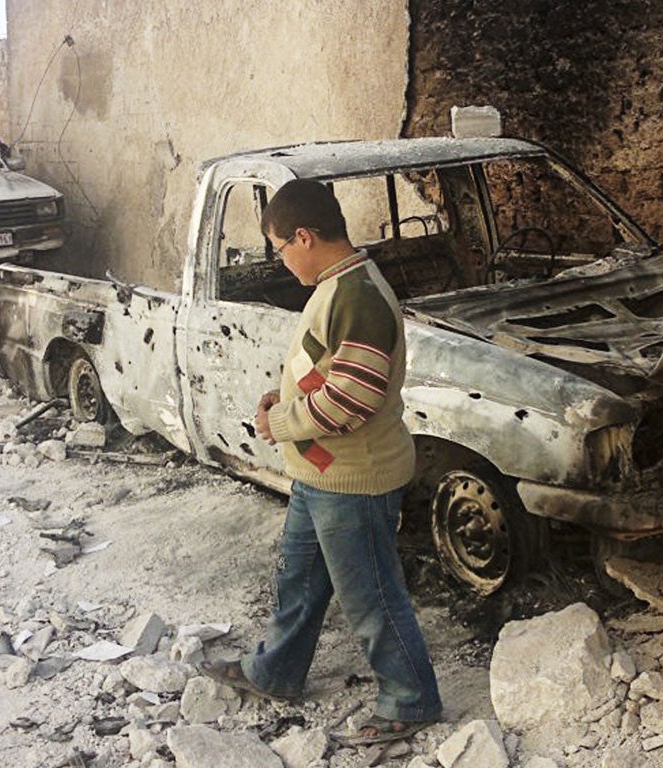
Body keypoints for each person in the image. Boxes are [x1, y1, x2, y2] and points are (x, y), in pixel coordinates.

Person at [202, 179, 442, 745]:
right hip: (321, 474)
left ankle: (411, 702)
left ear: (304, 236)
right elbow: (326, 372)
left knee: (372, 598)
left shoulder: (357, 296)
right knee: (300, 583)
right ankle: (275, 672)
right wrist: (282, 403)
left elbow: (353, 399)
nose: (283, 262)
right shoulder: (336, 286)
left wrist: (281, 422)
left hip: (354, 479)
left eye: (281, 249)